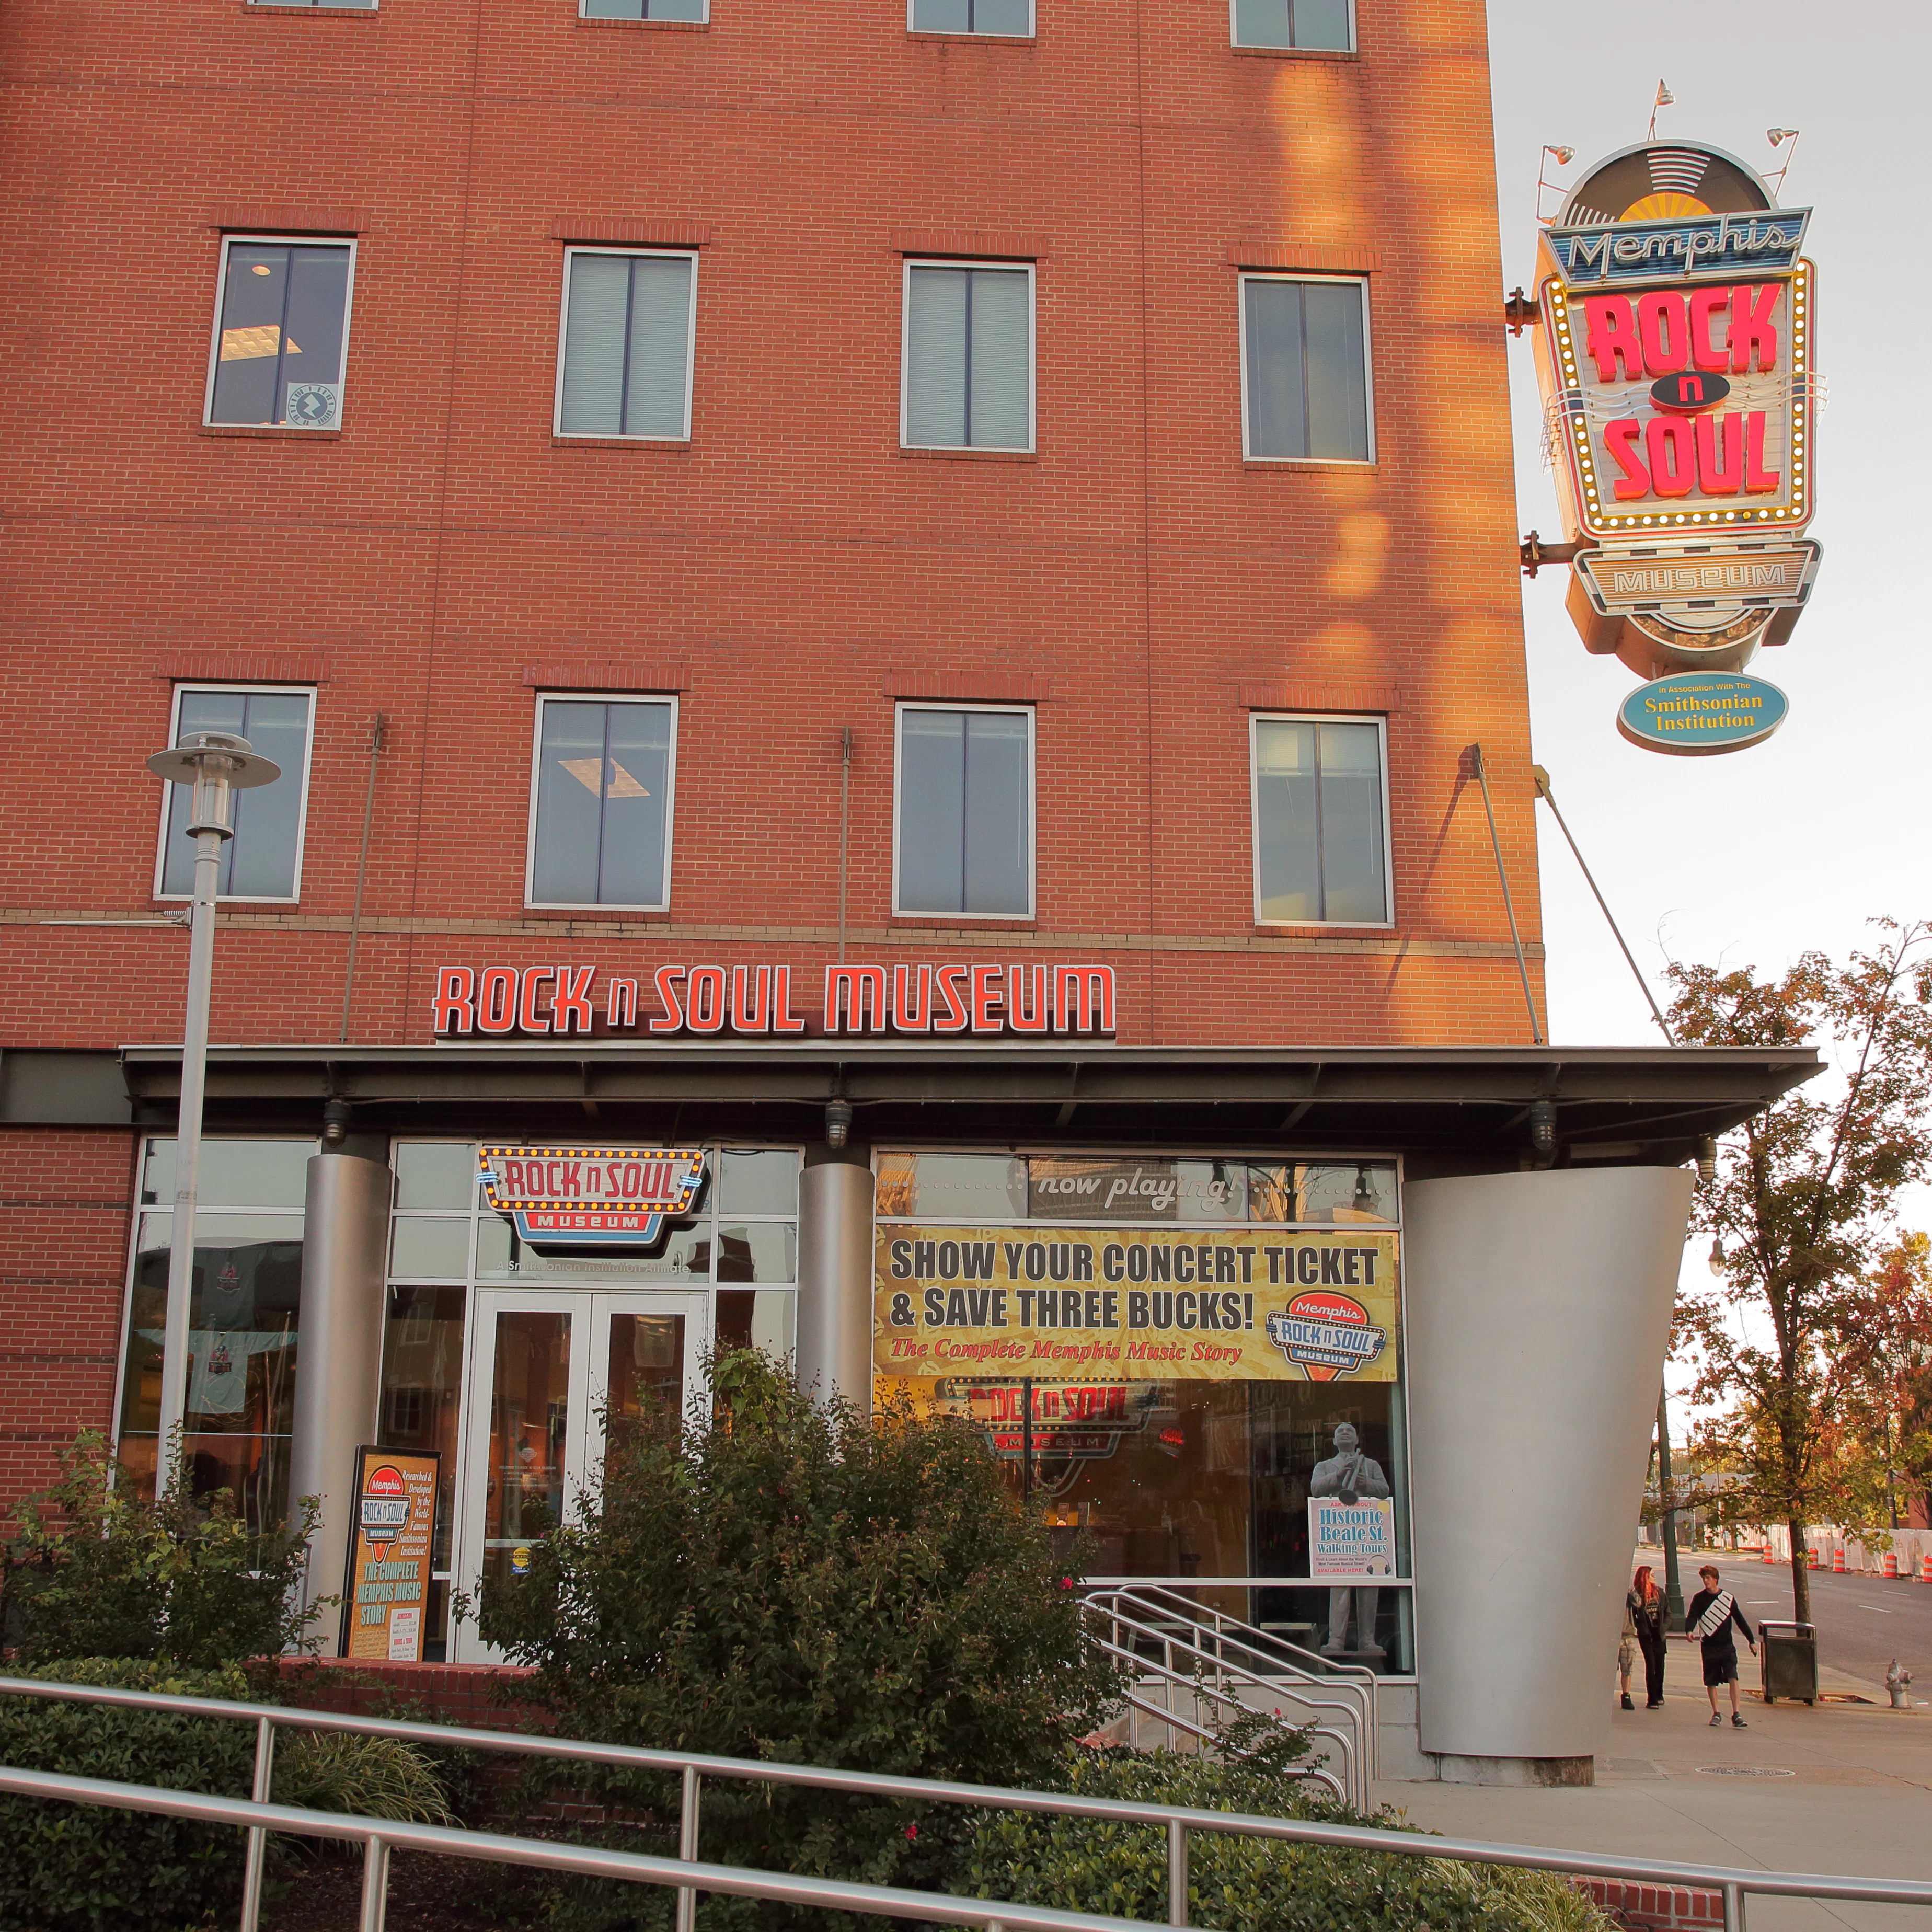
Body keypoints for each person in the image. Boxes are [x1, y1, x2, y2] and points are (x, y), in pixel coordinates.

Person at [1310, 1422, 1393, 1655]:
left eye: (1350, 1431)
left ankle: (1367, 1640)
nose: (1345, 1433)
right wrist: (1339, 1476)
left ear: (1357, 1441)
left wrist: (1366, 1483)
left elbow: (1385, 1490)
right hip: (1340, 1533)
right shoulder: (1324, 1466)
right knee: (1340, 1586)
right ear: (1334, 1442)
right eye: (1340, 1432)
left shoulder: (1371, 1465)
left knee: (1370, 1586)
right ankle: (1336, 1640)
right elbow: (1315, 1489)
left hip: (1365, 1532)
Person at [1686, 1562, 1756, 1728]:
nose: (1705, 1581)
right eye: (1704, 1578)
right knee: (1711, 1681)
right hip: (1709, 1646)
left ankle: (1737, 1713)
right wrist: (1689, 1630)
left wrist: (1751, 1640)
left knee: (1733, 1677)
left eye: (1708, 1578)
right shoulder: (1699, 1599)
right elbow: (1692, 1616)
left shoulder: (1728, 1599)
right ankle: (1716, 1713)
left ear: (1716, 1579)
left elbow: (1740, 1620)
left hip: (1726, 1645)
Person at [1628, 1564, 1666, 1709]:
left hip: (1659, 1635)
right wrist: (1641, 1628)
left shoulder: (1660, 1594)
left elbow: (1668, 1613)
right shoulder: (1637, 1596)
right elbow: (1634, 1616)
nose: (1654, 1577)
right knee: (1651, 1665)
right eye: (1652, 1574)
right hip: (1646, 1635)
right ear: (1645, 1577)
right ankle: (1652, 1699)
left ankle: (1659, 1693)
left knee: (1660, 1665)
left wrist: (1664, 1627)